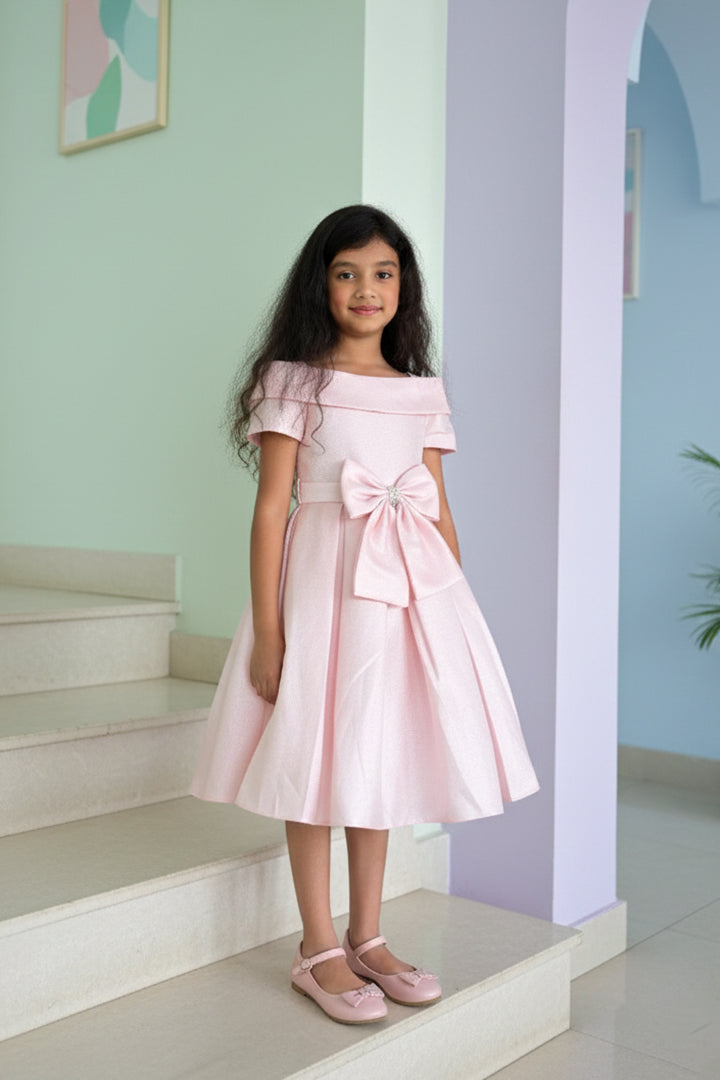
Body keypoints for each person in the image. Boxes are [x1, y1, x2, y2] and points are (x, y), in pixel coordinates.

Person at [190, 204, 539, 1025]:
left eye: (383, 273)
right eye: (346, 272)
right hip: (320, 593)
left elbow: (436, 507)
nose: (366, 288)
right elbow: (271, 509)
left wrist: (450, 616)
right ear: (321, 284)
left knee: (374, 762)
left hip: (403, 599)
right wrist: (272, 631)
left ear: (403, 287)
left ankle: (368, 937)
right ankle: (316, 950)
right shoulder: (294, 380)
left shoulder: (422, 391)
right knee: (313, 761)